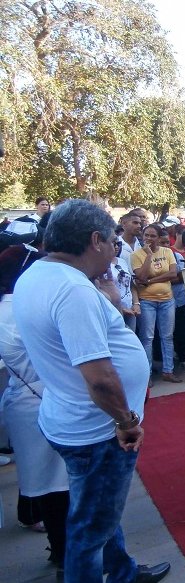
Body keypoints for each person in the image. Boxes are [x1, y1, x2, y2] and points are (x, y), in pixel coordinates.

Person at [13, 199, 170, 583]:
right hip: (96, 429)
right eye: (113, 241)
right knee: (89, 529)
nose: (116, 250)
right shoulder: (72, 291)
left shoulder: (37, 276)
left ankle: (123, 571)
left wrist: (111, 304)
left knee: (98, 511)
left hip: (73, 418)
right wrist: (127, 420)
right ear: (95, 240)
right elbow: (99, 377)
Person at [0, 221, 70, 573]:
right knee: (59, 486)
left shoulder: (8, 309)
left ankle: (58, 547)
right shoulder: (21, 309)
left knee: (45, 484)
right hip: (44, 398)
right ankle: (64, 552)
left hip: (25, 400)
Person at [131, 224, 181, 385]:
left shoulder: (168, 252)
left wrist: (150, 281)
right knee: (148, 338)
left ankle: (169, 371)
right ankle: (147, 375)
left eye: (153, 236)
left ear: (159, 238)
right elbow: (141, 275)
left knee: (167, 336)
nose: (149, 239)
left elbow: (173, 273)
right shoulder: (136, 255)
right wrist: (148, 256)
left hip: (167, 299)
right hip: (147, 301)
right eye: (147, 235)